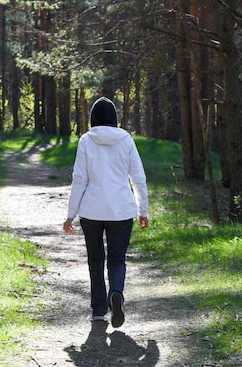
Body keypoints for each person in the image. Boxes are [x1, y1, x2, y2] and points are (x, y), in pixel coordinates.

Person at [63, 96, 149, 328]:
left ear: (93, 118)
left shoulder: (86, 140)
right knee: (117, 259)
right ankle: (117, 292)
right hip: (121, 210)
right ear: (114, 118)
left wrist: (71, 214)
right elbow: (138, 178)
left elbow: (79, 179)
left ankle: (99, 310)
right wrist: (143, 210)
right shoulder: (126, 140)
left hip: (91, 210)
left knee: (95, 260)